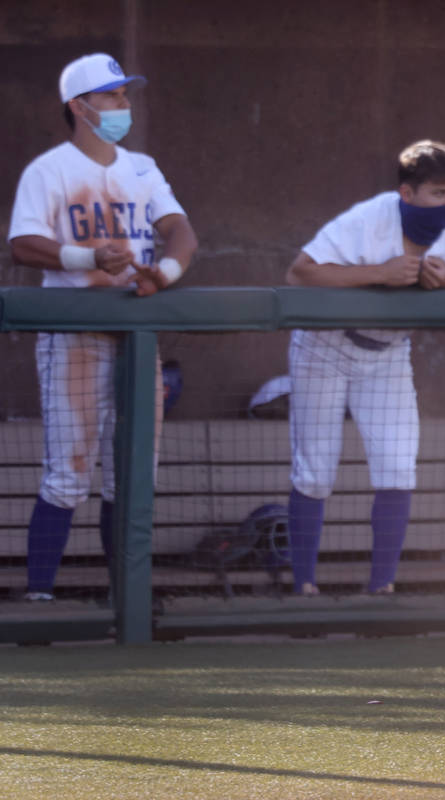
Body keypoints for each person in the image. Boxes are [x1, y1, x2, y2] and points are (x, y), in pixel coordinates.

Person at [7, 53, 198, 601]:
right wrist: (84, 257)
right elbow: (22, 243)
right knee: (68, 475)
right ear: (79, 106)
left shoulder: (142, 166)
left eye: (124, 95)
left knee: (132, 475)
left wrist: (160, 273)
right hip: (76, 335)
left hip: (136, 337)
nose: (123, 105)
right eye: (111, 95)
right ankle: (40, 598)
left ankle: (126, 597)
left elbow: (182, 233)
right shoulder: (50, 169)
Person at [284, 139, 445, 596]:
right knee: (315, 471)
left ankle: (382, 590)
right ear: (407, 193)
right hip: (325, 346)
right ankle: (304, 589)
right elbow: (300, 273)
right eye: (438, 192)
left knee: (398, 467)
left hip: (387, 351)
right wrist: (379, 273)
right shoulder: (370, 217)